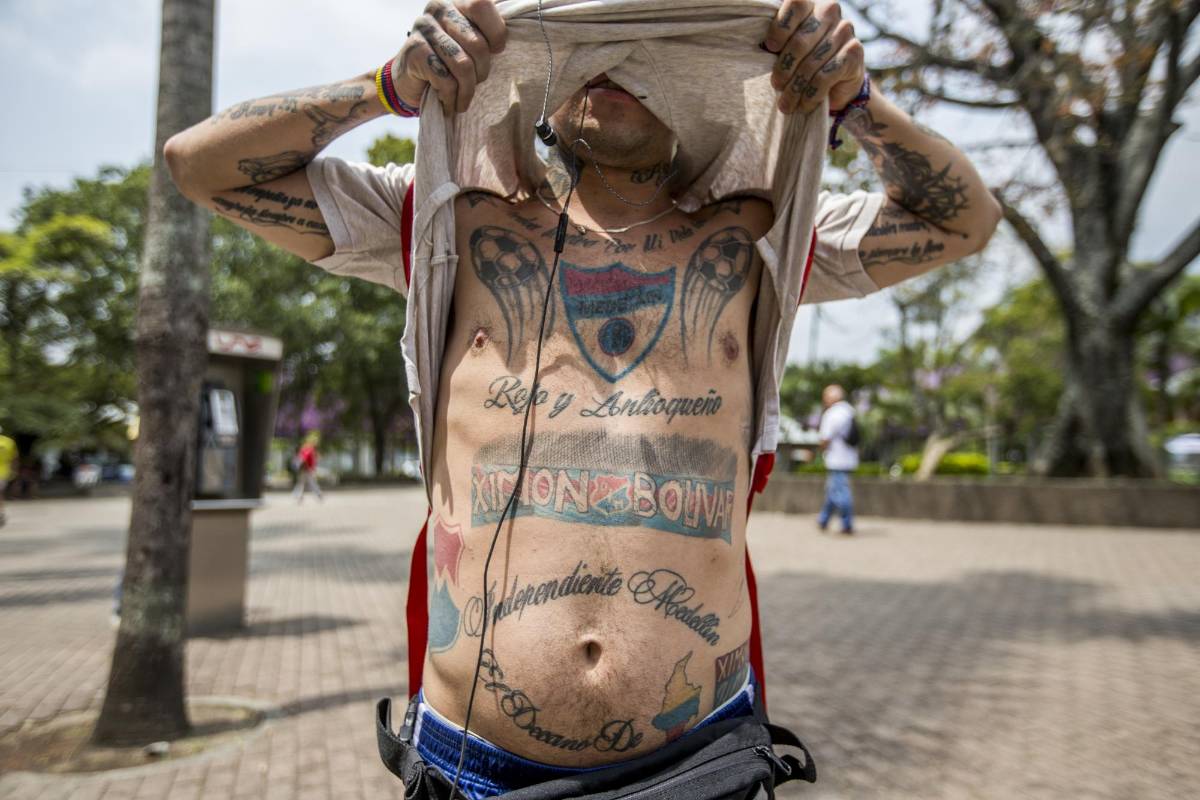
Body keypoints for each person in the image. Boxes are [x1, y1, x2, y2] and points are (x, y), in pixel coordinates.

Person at [164, 1, 1001, 795]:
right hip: (473, 766)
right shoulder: (441, 222)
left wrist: (855, 101)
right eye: (592, 49)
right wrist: (385, 87)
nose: (617, 66)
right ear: (542, 100)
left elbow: (962, 222)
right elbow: (197, 165)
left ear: (695, 99)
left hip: (700, 753)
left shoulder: (759, 241)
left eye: (652, 53)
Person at [817, 384, 858, 535]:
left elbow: (825, 437)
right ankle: (823, 519)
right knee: (832, 490)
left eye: (826, 396)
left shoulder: (833, 413)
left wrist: (818, 451)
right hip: (849, 457)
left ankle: (847, 523)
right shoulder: (849, 410)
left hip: (837, 458)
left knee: (839, 491)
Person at [292, 432, 323, 503]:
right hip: (306, 469)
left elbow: (306, 459)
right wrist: (309, 467)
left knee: (302, 483)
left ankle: (298, 496)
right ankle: (318, 494)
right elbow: (305, 459)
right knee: (310, 482)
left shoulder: (307, 449)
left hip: (305, 469)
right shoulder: (308, 450)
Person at [0, 426, 16, 528]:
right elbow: (14, 458)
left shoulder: (9, 442)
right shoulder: (9, 442)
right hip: (4, 472)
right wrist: (14, 470)